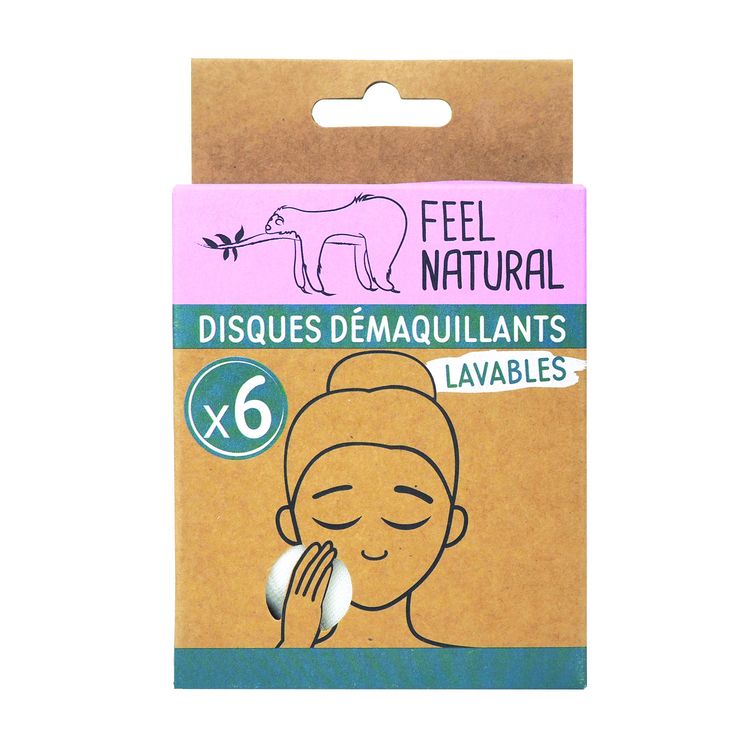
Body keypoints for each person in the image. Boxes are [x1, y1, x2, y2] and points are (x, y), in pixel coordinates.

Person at [274, 351, 468, 647]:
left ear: (452, 525)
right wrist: (294, 647)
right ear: (291, 523)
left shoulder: (472, 668)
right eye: (338, 512)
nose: (373, 547)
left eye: (406, 512)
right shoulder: (291, 653)